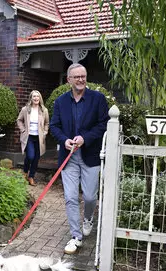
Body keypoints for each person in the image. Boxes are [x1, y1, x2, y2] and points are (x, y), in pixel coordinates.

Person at [50, 63, 110, 254]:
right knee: (70, 197)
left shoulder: (98, 99)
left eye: (83, 76)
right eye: (76, 77)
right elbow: (54, 126)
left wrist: (86, 138)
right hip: (69, 158)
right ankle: (76, 236)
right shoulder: (60, 102)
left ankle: (89, 218)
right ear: (68, 80)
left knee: (90, 196)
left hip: (90, 155)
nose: (81, 79)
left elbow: (103, 125)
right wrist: (64, 140)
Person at [16, 90, 50, 186]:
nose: (36, 98)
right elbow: (19, 120)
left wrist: (45, 132)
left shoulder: (44, 110)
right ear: (31, 98)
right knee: (30, 156)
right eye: (34, 96)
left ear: (40, 98)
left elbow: (47, 123)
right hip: (29, 137)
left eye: (37, 96)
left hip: (39, 138)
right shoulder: (25, 109)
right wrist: (23, 130)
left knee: (36, 158)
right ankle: (25, 172)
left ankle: (31, 177)